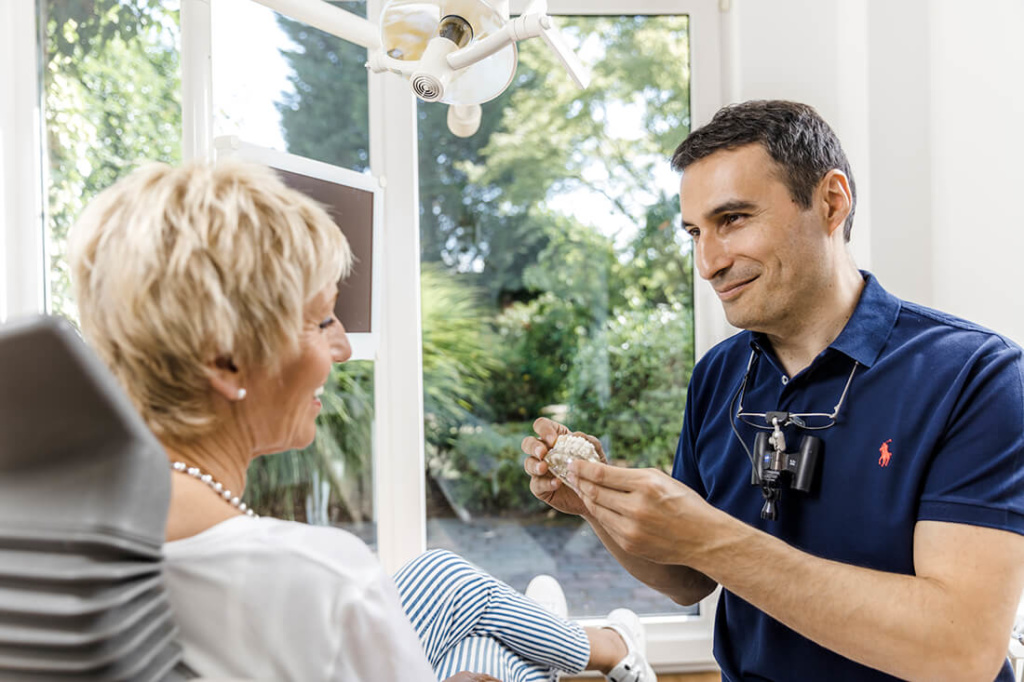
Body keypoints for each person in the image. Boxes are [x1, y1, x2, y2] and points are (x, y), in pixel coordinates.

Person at [66, 159, 656, 682]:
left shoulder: (68, 525)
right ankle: (574, 647)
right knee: (490, 651)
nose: (343, 347)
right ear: (225, 358)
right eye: (323, 320)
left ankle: (566, 637)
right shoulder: (318, 578)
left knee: (437, 577)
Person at [522, 100, 1024, 681]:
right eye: (694, 233)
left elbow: (959, 653)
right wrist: (597, 505)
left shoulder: (975, 375)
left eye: (732, 219)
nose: (708, 262)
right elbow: (689, 578)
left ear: (830, 203)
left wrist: (713, 539)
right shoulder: (718, 376)